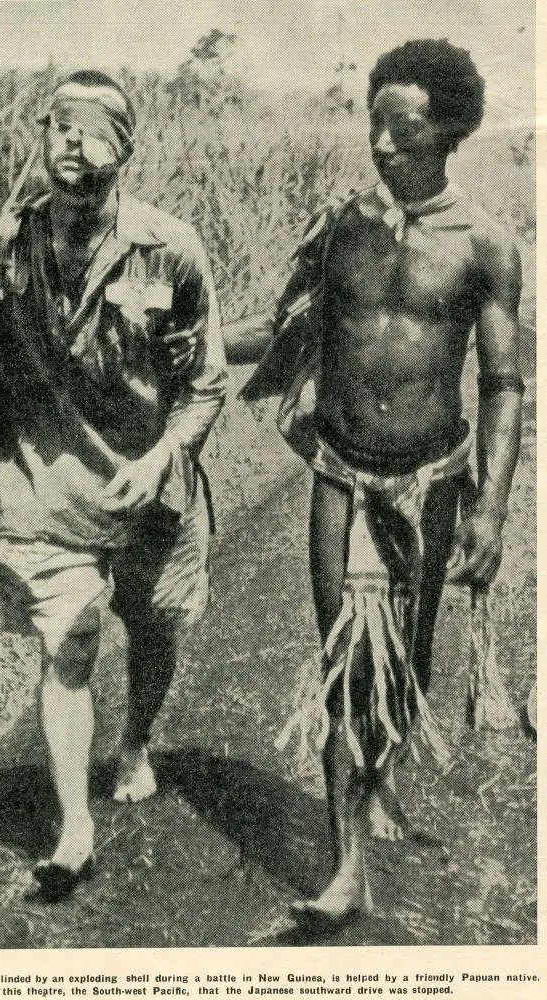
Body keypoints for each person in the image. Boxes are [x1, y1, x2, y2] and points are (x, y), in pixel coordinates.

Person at [0, 70, 227, 901]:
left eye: (97, 125)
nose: (74, 140)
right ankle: (74, 826)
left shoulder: (168, 248)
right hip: (45, 484)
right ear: (41, 137)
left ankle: (138, 740)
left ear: (128, 148)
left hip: (150, 483)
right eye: (59, 124)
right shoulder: (2, 244)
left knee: (152, 629)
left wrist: (162, 460)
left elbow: (208, 382)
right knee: (69, 642)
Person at [235, 39, 523, 928]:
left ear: (448, 130)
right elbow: (277, 330)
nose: (383, 145)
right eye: (375, 126)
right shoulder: (339, 228)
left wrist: (493, 504)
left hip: (432, 480)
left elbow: (504, 383)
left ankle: (381, 771)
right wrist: (182, 335)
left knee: (410, 663)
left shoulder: (485, 244)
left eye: (403, 130)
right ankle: (346, 866)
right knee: (343, 668)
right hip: (340, 472)